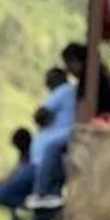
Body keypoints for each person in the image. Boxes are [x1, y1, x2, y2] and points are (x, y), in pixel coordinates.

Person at [26, 66, 78, 212]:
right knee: (49, 204)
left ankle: (41, 193)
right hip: (51, 153)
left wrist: (43, 120)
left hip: (48, 154)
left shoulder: (63, 91)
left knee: (12, 193)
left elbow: (40, 114)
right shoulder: (69, 92)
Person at [62, 42, 110, 121]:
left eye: (69, 64)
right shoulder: (98, 74)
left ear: (79, 61)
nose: (68, 69)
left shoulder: (91, 78)